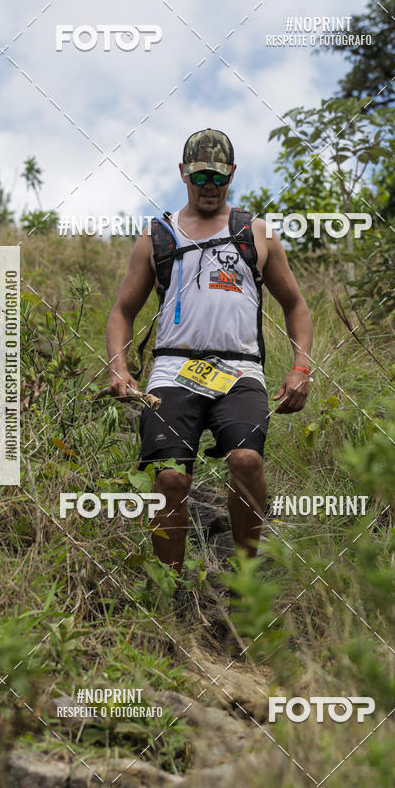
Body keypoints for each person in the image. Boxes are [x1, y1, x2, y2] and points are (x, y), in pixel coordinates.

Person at [106, 128, 312, 572]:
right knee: (170, 478)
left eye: (217, 178)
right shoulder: (156, 235)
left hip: (239, 372)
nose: (209, 187)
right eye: (199, 177)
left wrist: (300, 369)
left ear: (232, 174)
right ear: (183, 173)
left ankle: (245, 579)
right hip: (172, 371)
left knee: (246, 459)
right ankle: (170, 589)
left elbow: (295, 305)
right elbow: (123, 310)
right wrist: (119, 368)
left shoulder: (256, 233)